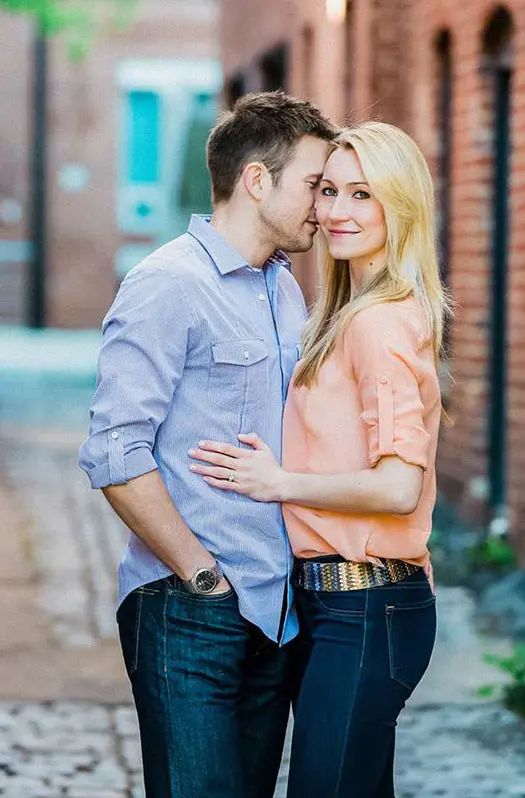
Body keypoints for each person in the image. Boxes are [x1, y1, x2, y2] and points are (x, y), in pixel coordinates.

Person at [78, 91, 334, 798]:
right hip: (191, 610)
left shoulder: (283, 290)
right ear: (257, 180)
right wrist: (201, 577)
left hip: (276, 616)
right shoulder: (168, 284)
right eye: (313, 184)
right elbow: (114, 451)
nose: (324, 204)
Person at [189, 121, 450, 797]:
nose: (336, 212)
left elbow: (398, 486)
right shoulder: (344, 313)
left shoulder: (378, 322)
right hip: (335, 607)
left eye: (363, 195)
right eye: (329, 190)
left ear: (402, 206)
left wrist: (279, 483)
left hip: (366, 608)